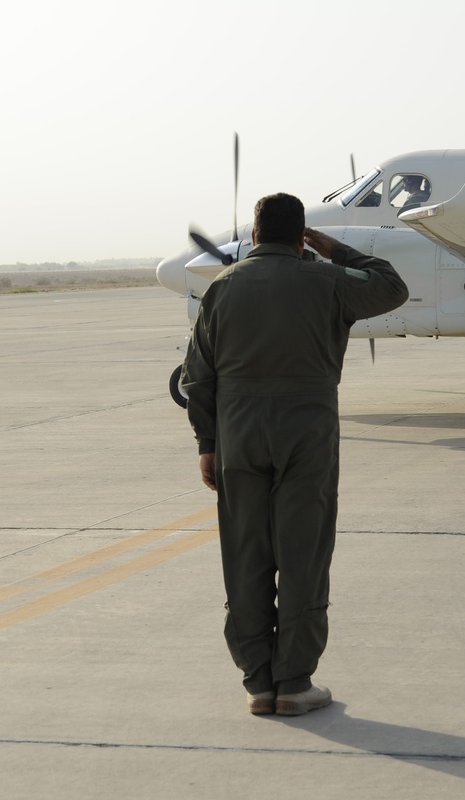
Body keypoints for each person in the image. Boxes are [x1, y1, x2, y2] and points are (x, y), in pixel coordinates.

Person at [181, 193, 408, 716]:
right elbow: (393, 287)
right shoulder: (327, 280)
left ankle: (258, 681)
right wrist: (338, 250)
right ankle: (294, 682)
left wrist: (207, 444)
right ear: (302, 234)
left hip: (238, 433)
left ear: (255, 234)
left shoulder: (222, 287)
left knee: (245, 555)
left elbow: (199, 376)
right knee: (303, 553)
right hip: (306, 432)